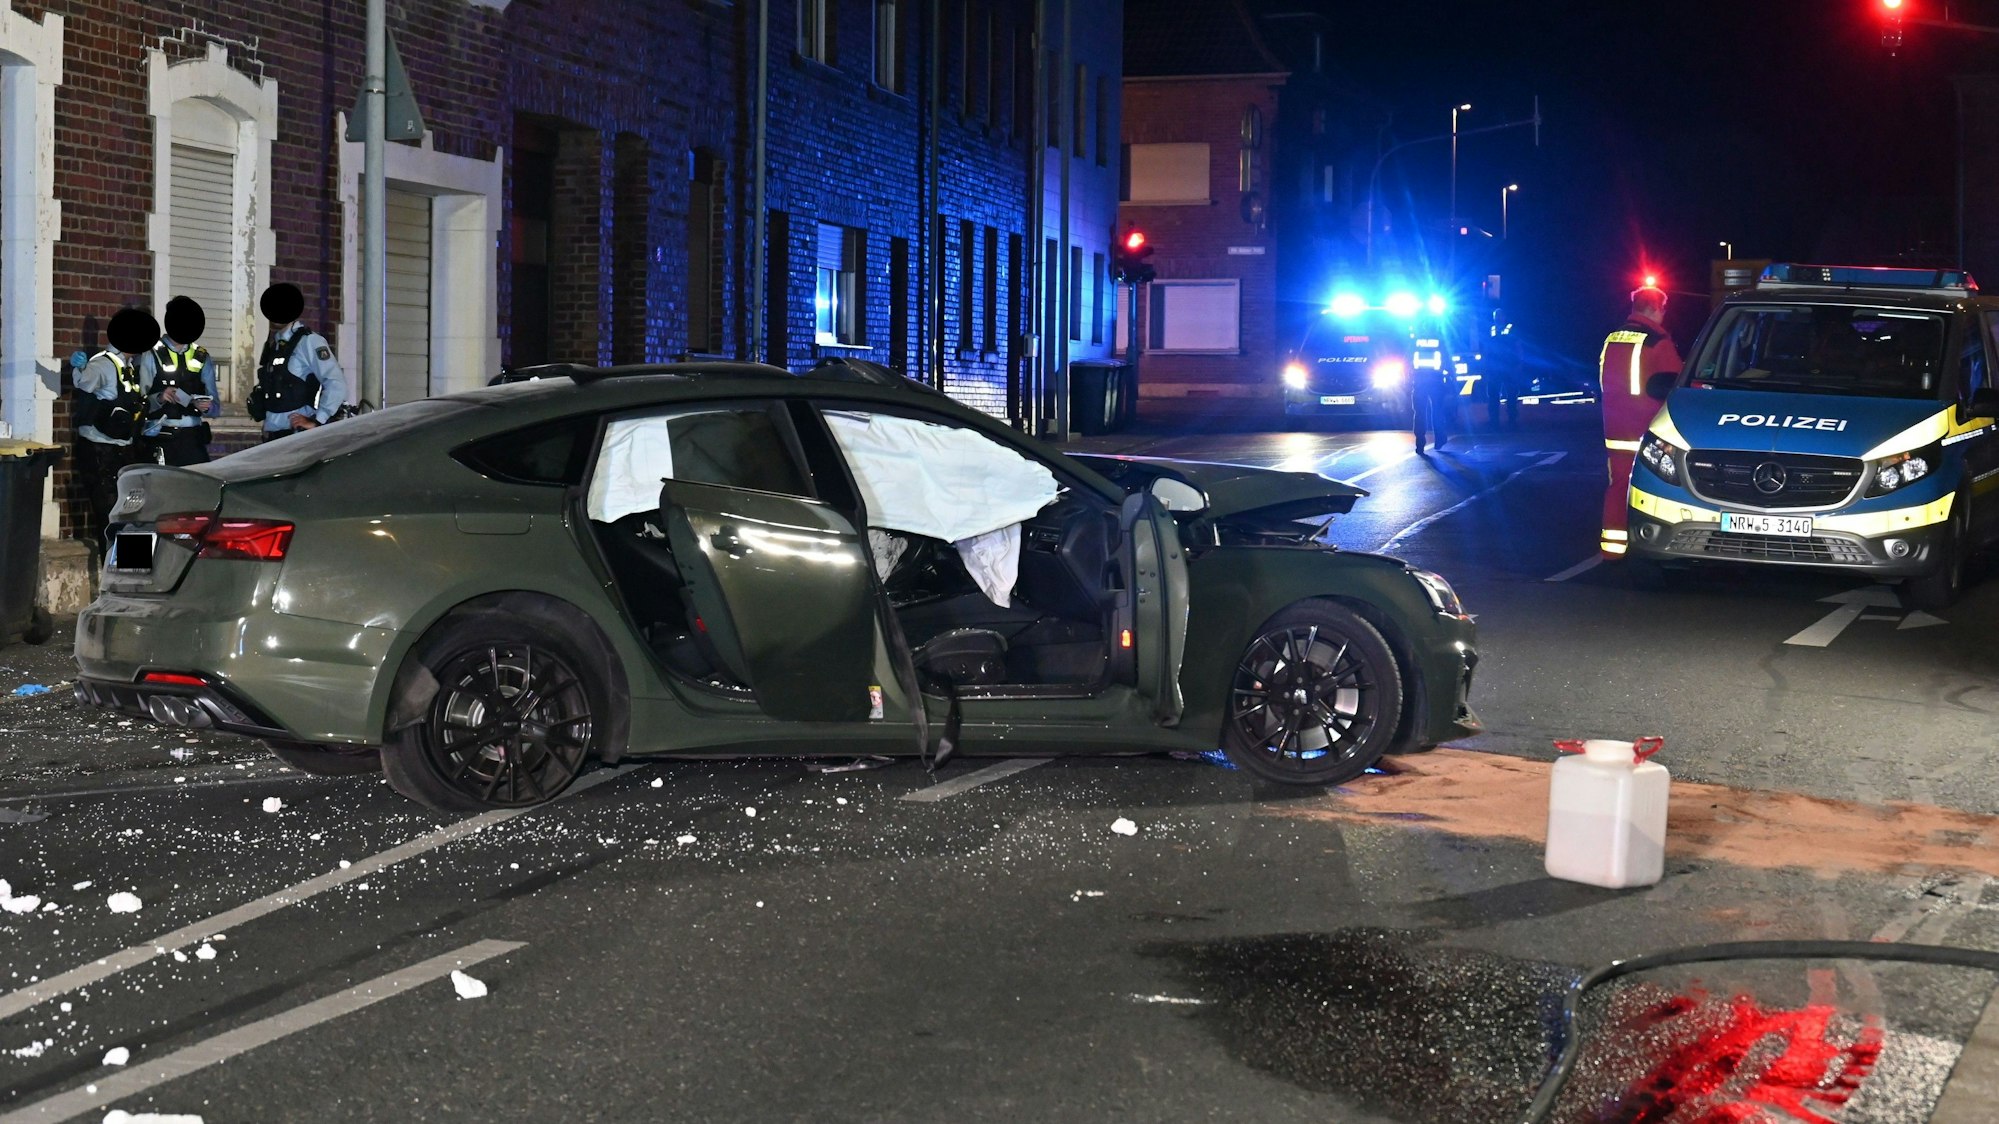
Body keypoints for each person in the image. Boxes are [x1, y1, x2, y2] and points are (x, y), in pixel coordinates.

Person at [1597, 284, 1682, 558]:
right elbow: (1676, 385)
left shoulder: (1612, 338)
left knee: (1618, 485)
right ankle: (1648, 547)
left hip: (1614, 427)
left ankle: (1612, 550)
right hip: (1645, 429)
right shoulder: (1658, 340)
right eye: (1663, 309)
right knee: (1655, 490)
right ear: (1656, 309)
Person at [73, 307, 160, 554]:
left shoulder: (129, 366)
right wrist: (78, 367)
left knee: (133, 515)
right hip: (100, 453)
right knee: (111, 518)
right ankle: (113, 583)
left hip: (124, 452)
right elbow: (84, 381)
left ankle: (131, 578)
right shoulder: (102, 364)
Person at [250, 282, 348, 441]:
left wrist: (317, 420)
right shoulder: (273, 345)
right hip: (272, 439)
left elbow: (336, 383)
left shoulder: (309, 341)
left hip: (297, 438)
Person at [142, 295, 218, 466]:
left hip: (193, 440)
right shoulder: (152, 354)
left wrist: (206, 406)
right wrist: (160, 398)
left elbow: (215, 407)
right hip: (162, 437)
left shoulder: (202, 356)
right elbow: (139, 402)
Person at [1411, 354, 1454, 454]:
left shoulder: (1414, 341)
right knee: (1437, 411)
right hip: (1436, 382)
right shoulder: (1440, 340)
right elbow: (1447, 361)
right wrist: (1450, 378)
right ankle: (1440, 439)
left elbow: (1407, 359)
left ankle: (1420, 444)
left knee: (1420, 413)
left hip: (1420, 383)